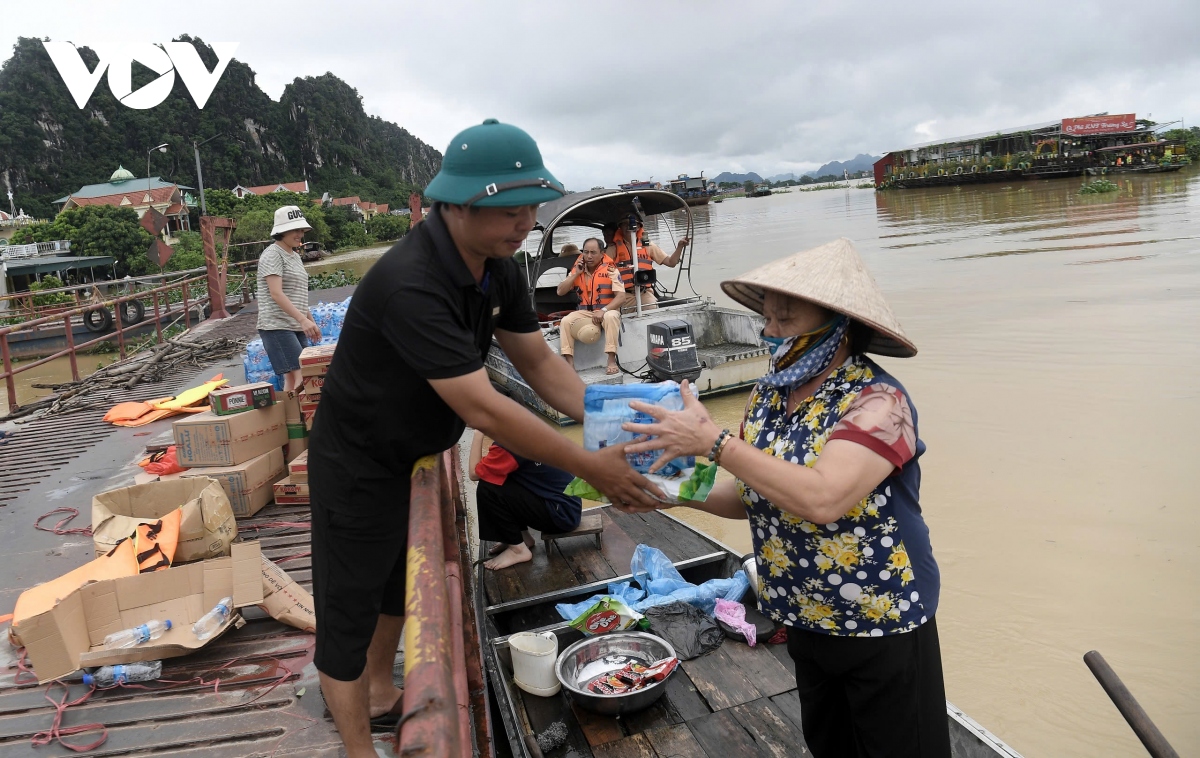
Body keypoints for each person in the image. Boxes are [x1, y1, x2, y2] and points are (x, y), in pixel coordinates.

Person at [306, 119, 663, 758]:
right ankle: (359, 749)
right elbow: (484, 406)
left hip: (417, 451)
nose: (525, 221)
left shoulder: (501, 266)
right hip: (358, 461)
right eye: (509, 208)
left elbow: (541, 365)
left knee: (394, 585)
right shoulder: (412, 281)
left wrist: (626, 417)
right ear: (457, 205)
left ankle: (384, 693)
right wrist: (591, 463)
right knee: (347, 612)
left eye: (532, 205)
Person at [617, 238, 950, 758]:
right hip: (800, 610)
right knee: (830, 743)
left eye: (785, 317)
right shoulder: (769, 395)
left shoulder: (880, 403)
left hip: (879, 615)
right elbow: (752, 495)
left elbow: (823, 498)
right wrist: (670, 490)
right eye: (767, 317)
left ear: (838, 325)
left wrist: (714, 443)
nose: (770, 330)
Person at [469, 429, 581, 569]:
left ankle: (518, 550)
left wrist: (478, 433)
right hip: (568, 507)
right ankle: (521, 538)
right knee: (499, 475)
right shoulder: (523, 428)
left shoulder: (510, 444)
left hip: (560, 514)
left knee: (488, 487)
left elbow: (474, 473)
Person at [257, 205, 321, 391]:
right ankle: (303, 417)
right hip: (277, 325)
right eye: (295, 230)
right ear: (282, 231)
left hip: (295, 324)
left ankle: (296, 417)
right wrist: (302, 320)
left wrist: (310, 321)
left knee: (294, 378)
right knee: (300, 374)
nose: (300, 234)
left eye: (301, 230)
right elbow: (276, 293)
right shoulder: (272, 254)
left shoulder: (294, 256)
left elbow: (297, 295)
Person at [556, 237, 624, 374]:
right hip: (586, 312)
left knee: (611, 316)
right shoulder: (578, 269)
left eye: (593, 252)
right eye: (586, 252)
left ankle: (611, 360)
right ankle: (570, 365)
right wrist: (576, 274)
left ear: (602, 253)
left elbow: (621, 297)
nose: (589, 256)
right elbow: (560, 291)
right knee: (566, 321)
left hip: (606, 310)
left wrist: (603, 310)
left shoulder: (611, 270)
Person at [606, 217, 689, 310]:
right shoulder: (612, 249)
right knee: (618, 316)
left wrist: (680, 246)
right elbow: (603, 272)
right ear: (620, 227)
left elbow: (671, 262)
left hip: (645, 293)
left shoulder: (648, 245)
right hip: (623, 295)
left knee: (652, 308)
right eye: (625, 224)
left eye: (632, 224)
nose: (629, 227)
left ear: (638, 227)